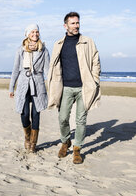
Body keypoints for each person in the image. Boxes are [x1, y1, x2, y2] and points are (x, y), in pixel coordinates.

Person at [47, 12, 101, 164]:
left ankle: (77, 149)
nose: (76, 26)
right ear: (65, 26)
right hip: (65, 88)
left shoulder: (87, 42)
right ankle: (66, 142)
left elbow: (96, 60)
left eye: (77, 23)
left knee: (81, 120)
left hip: (84, 87)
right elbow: (54, 66)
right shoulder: (59, 44)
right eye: (73, 23)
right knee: (62, 118)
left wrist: (95, 80)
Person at [9, 24, 50, 153]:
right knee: (24, 113)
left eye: (37, 32)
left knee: (36, 114)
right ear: (27, 34)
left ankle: (33, 143)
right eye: (32, 32)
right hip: (23, 84)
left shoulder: (44, 50)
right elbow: (15, 70)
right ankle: (27, 136)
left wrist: (51, 86)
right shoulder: (20, 50)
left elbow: (47, 70)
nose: (35, 34)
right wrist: (11, 87)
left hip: (38, 84)